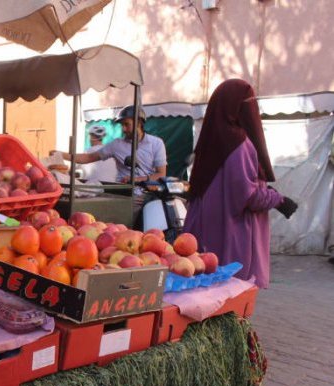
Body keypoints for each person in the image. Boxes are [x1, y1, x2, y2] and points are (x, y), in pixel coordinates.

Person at [184, 79, 298, 288]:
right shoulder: (238, 144)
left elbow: (229, 184)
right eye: (250, 103)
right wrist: (278, 200)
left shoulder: (209, 141)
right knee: (231, 297)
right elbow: (249, 196)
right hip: (232, 238)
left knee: (206, 292)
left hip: (205, 232)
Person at [50, 105, 167, 183]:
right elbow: (88, 157)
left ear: (139, 122)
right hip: (125, 194)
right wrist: (61, 154)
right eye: (122, 125)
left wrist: (137, 179)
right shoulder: (116, 145)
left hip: (149, 193)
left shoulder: (156, 143)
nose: (124, 129)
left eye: (126, 124)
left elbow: (161, 174)